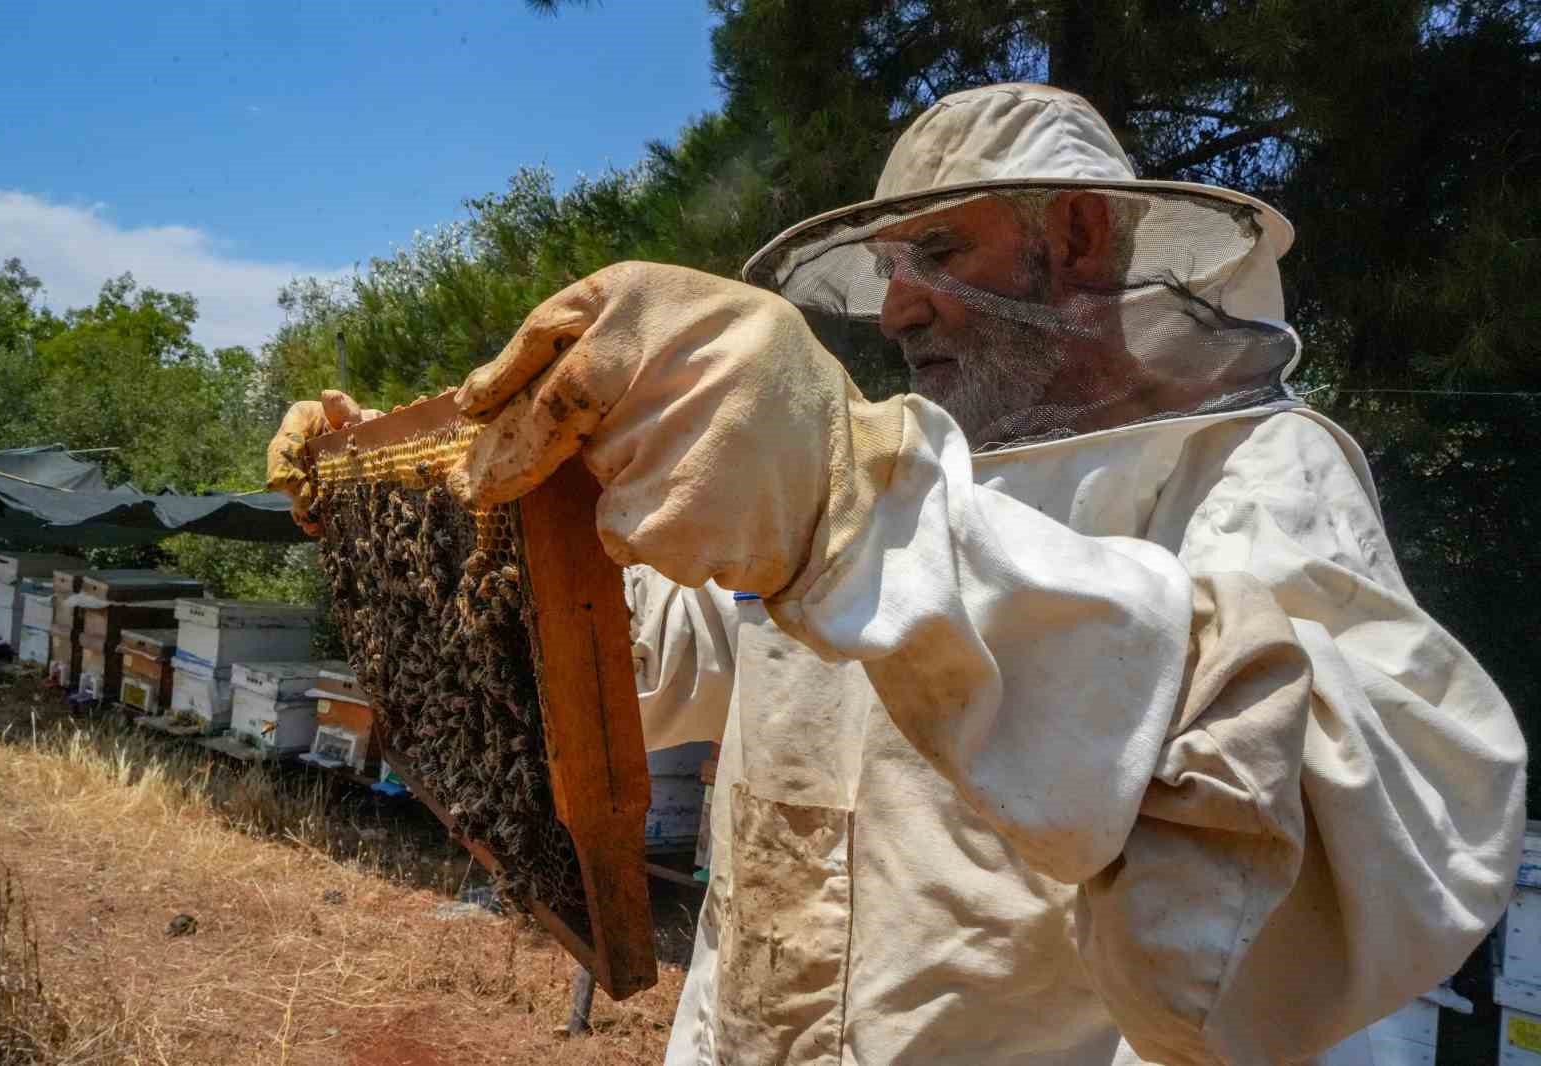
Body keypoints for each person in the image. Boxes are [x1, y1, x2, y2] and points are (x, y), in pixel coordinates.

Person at [268, 84, 1525, 1065]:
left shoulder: (1251, 472)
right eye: (887, 273)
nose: (900, 308)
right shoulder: (869, 483)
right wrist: (444, 533)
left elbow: (1339, 826)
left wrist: (859, 508)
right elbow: (644, 675)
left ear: (1079, 235)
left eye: (939, 251)